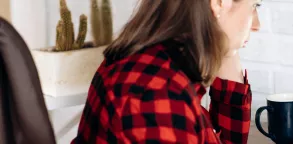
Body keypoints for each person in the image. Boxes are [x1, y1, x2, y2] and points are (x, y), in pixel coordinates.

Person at [72, 0, 261, 143]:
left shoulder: (163, 64)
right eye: (254, 5)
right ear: (219, 3)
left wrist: (225, 47)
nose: (256, 24)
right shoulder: (156, 92)